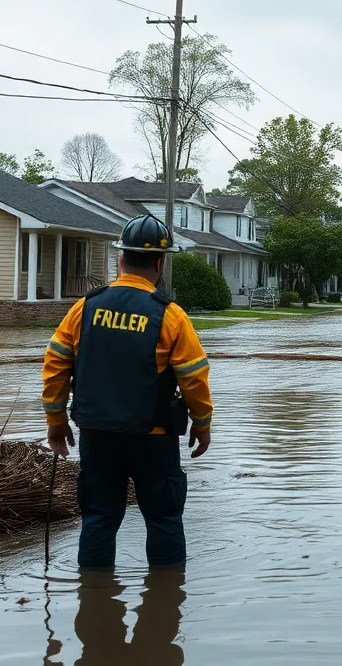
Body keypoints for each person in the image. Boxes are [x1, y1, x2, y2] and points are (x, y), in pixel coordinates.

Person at [42, 214, 213, 569]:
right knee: (164, 519)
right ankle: (165, 602)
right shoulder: (171, 315)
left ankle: (94, 604)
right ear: (159, 262)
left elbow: (56, 364)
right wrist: (202, 423)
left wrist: (56, 421)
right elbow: (194, 377)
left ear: (121, 259)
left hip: (97, 435)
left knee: (98, 519)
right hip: (153, 438)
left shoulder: (84, 307)